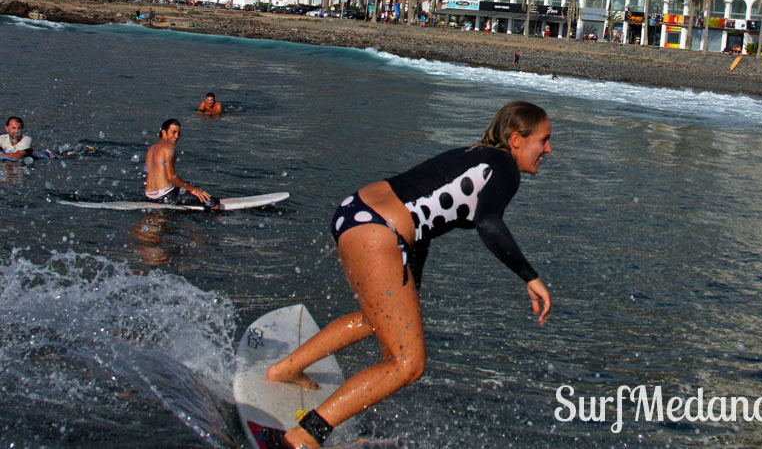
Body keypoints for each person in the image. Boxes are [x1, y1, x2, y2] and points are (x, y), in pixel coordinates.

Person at [267, 101, 554, 448]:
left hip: (356, 214)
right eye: (544, 140)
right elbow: (488, 222)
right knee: (408, 363)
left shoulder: (472, 155)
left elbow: (423, 221)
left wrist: (411, 284)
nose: (548, 149)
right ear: (517, 140)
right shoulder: (504, 167)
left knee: (378, 319)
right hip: (378, 231)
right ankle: (305, 436)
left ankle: (286, 370)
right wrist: (530, 277)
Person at [144, 118, 219, 208]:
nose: (176, 136)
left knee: (183, 187)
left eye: (178, 133)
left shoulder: (151, 149)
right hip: (166, 196)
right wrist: (193, 190)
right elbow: (171, 177)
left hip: (149, 196)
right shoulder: (169, 147)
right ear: (164, 132)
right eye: (173, 132)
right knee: (213, 203)